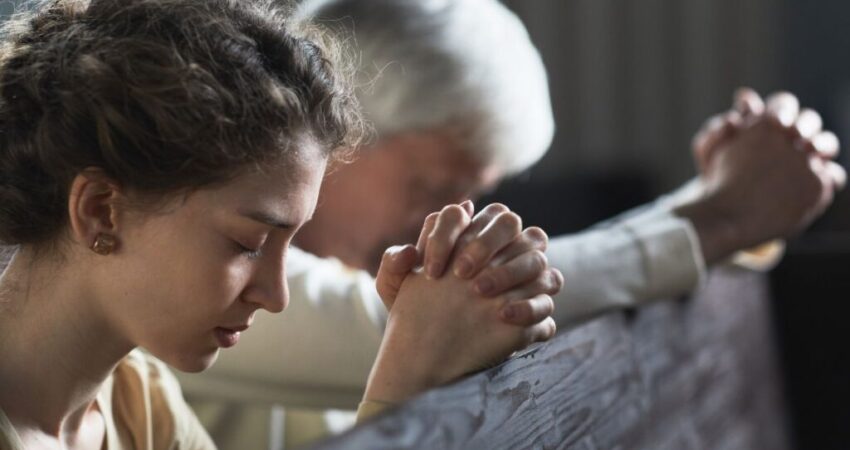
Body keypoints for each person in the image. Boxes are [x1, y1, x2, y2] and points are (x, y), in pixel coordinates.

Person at [181, 0, 845, 447]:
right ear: (334, 131)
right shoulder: (205, 267)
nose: (446, 219)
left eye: (474, 193)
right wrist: (715, 215)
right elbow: (394, 333)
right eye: (434, 186)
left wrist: (712, 212)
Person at [0, 0, 560, 448]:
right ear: (100, 208)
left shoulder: (139, 401)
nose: (276, 295)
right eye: (247, 243)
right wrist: (405, 382)